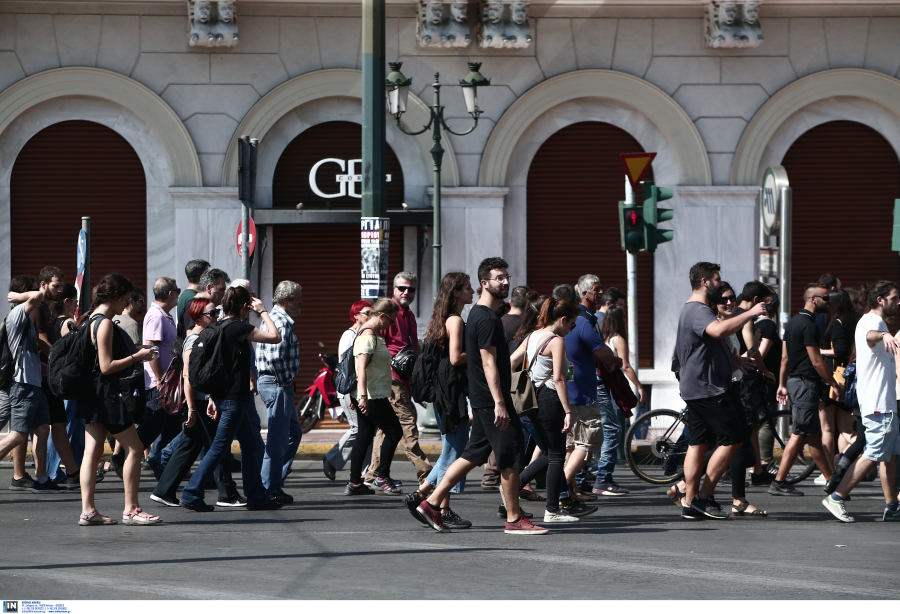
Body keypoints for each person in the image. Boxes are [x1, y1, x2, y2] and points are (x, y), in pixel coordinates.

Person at [413, 257, 549, 535]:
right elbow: (488, 363)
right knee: (511, 454)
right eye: (499, 277)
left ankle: (431, 502)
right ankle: (513, 518)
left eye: (507, 277)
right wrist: (500, 402)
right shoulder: (486, 318)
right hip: (491, 399)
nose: (505, 281)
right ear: (483, 283)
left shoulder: (479, 314)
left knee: (472, 454)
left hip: (484, 397)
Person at [179, 285, 283, 512]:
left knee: (249, 444)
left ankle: (256, 496)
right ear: (245, 306)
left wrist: (213, 397)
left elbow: (219, 366)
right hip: (234, 399)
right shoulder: (238, 328)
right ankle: (191, 492)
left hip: (227, 396)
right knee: (219, 447)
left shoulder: (216, 326)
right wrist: (263, 311)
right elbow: (275, 337)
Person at [675, 262, 764, 519]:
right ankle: (702, 499)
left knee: (698, 444)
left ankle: (689, 501)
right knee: (733, 439)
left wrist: (734, 362)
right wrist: (749, 312)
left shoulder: (690, 310)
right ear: (705, 282)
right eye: (717, 280)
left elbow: (702, 349)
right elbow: (717, 330)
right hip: (709, 389)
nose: (720, 283)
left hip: (697, 387)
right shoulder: (700, 310)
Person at [76, 273, 160, 525]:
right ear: (114, 297)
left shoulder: (88, 319)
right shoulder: (103, 323)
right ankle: (132, 509)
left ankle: (88, 511)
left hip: (91, 395)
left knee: (91, 453)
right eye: (125, 298)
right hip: (106, 395)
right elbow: (106, 366)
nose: (127, 303)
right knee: (134, 448)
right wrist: (138, 357)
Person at [150, 297, 243, 508]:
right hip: (199, 402)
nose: (217, 316)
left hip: (203, 400)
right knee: (216, 446)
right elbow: (187, 377)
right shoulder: (194, 340)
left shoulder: (205, 335)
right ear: (198, 317)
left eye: (217, 312)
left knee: (191, 444)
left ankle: (164, 490)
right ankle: (227, 494)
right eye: (212, 314)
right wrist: (192, 408)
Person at [823, 281, 900, 523]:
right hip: (879, 403)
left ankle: (892, 506)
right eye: (895, 298)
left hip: (883, 402)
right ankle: (837, 496)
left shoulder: (870, 320)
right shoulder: (874, 323)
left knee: (890, 455)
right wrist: (885, 334)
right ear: (881, 300)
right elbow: (870, 336)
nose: (898, 303)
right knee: (874, 452)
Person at [404, 272, 475, 529]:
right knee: (456, 452)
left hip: (445, 388)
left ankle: (428, 498)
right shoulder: (454, 320)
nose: (473, 291)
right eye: (468, 288)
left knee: (451, 450)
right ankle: (430, 502)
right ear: (456, 292)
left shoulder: (443, 318)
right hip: (450, 389)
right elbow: (456, 358)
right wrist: (481, 351)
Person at [510, 297, 582, 523]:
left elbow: (511, 362)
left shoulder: (532, 335)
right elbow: (559, 379)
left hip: (531, 400)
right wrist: (568, 411)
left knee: (550, 453)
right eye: (572, 324)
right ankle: (552, 510)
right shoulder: (556, 341)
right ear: (562, 319)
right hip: (550, 400)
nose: (571, 329)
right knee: (557, 456)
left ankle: (512, 487)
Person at [770, 283, 840, 496]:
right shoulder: (810, 325)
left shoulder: (792, 322)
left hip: (795, 382)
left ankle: (831, 482)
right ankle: (779, 481)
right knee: (801, 433)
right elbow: (817, 361)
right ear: (813, 299)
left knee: (813, 434)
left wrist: (783, 384)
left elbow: (784, 358)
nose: (829, 301)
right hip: (805, 384)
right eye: (825, 298)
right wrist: (834, 383)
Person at [364, 272, 432, 488]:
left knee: (385, 430)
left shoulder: (408, 314)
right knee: (407, 425)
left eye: (411, 289)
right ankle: (428, 475)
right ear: (394, 289)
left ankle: (372, 476)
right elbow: (375, 345)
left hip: (405, 378)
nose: (406, 292)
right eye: (402, 288)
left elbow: (414, 346)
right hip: (392, 379)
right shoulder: (387, 314)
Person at [0, 276, 64, 494]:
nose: (40, 292)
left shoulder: (26, 318)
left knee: (42, 429)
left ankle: (43, 479)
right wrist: (19, 296)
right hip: (22, 384)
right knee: (18, 434)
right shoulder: (18, 313)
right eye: (35, 289)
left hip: (34, 382)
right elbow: (36, 296)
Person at [567, 274, 623, 499]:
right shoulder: (583, 320)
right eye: (596, 289)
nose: (600, 292)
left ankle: (571, 490)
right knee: (587, 442)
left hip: (579, 391)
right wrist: (614, 360)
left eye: (600, 289)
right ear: (583, 293)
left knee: (572, 446)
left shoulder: (584, 319)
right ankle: (563, 489)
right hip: (581, 393)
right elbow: (603, 352)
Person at [344, 298, 405, 496]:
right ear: (382, 316)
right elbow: (361, 367)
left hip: (374, 392)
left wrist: (387, 387)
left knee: (365, 433)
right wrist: (362, 397)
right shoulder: (368, 335)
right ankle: (382, 477)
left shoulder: (373, 334)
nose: (391, 324)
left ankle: (355, 482)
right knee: (394, 431)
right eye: (391, 320)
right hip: (370, 395)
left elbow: (375, 367)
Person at [127, 277, 181, 478]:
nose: (178, 294)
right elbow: (152, 349)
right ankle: (121, 457)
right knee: (151, 427)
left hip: (170, 382)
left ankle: (160, 464)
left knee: (171, 428)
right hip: (161, 383)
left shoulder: (165, 315)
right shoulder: (156, 316)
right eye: (177, 290)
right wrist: (160, 379)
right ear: (170, 294)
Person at [32, 267, 80, 490]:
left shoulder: (47, 309)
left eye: (62, 286)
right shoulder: (38, 308)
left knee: (58, 425)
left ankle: (72, 473)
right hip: (39, 376)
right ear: (43, 284)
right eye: (55, 286)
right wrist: (57, 361)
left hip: (47, 376)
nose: (60, 290)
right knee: (38, 430)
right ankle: (41, 477)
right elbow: (41, 340)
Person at [257, 280, 303, 504]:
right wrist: (285, 382)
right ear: (286, 300)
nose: (300, 302)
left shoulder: (276, 318)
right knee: (277, 441)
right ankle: (268, 488)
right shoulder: (281, 321)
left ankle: (275, 482)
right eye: (297, 298)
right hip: (277, 383)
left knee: (293, 433)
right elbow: (275, 358)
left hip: (276, 383)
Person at [322, 300, 372, 480]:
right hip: (350, 389)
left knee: (368, 432)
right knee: (358, 429)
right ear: (356, 315)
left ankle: (366, 474)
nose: (370, 316)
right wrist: (352, 394)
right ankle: (331, 459)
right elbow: (346, 367)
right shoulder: (348, 335)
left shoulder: (366, 334)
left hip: (362, 390)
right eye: (367, 312)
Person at [45, 283, 85, 485]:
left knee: (75, 427)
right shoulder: (67, 323)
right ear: (67, 301)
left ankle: (77, 469)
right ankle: (52, 470)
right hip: (69, 381)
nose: (77, 305)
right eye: (75, 302)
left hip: (64, 380)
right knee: (65, 427)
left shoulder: (54, 321)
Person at [817, 289, 858, 482]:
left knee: (827, 429)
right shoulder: (852, 322)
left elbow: (840, 349)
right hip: (847, 379)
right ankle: (857, 460)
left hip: (834, 380)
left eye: (828, 301)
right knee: (846, 429)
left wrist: (821, 351)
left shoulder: (836, 323)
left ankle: (831, 474)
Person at [177, 267, 229, 336]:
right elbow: (190, 336)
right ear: (209, 288)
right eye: (221, 289)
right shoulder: (193, 305)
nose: (223, 294)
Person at [177, 259, 210, 329]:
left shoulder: (185, 295)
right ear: (201, 277)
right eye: (207, 275)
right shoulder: (193, 298)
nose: (209, 278)